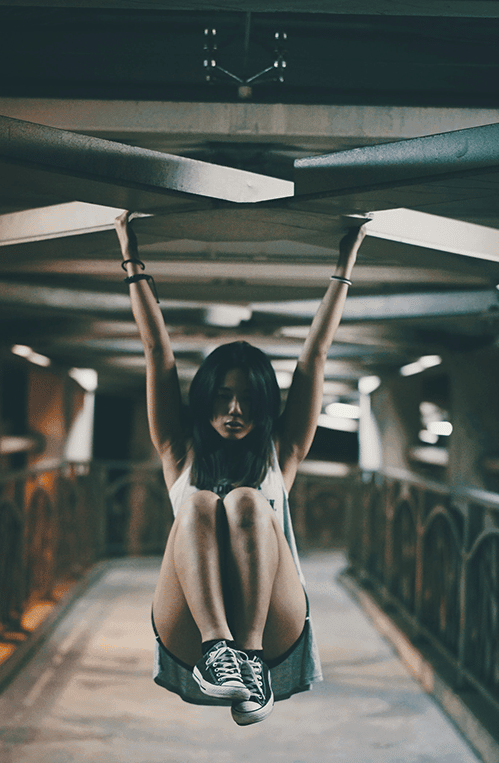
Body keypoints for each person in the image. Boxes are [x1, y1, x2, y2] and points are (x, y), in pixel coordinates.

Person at [114, 211, 367, 726]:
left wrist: (345, 264)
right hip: (191, 624)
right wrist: (130, 258)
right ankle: (217, 652)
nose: (235, 411)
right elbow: (157, 354)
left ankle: (248, 663)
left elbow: (314, 356)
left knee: (246, 499)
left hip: (271, 626)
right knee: (201, 501)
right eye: (224, 397)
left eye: (248, 400)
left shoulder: (282, 452)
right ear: (205, 399)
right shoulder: (178, 452)